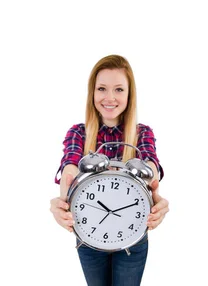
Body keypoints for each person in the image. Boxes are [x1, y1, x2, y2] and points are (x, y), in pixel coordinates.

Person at [49, 54, 170, 286]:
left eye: (119, 90)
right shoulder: (79, 133)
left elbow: (151, 166)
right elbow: (70, 168)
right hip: (88, 236)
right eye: (102, 88)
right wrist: (62, 202)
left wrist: (156, 196)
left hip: (133, 239)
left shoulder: (142, 133)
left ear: (129, 94)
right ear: (92, 93)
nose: (110, 98)